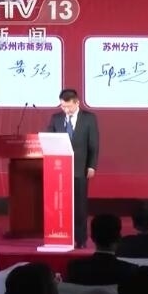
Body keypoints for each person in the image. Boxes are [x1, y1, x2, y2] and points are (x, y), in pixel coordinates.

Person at [47, 89, 99, 249]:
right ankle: (60, 234)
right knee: (60, 204)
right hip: (59, 169)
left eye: (68, 106)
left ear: (77, 103)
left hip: (80, 168)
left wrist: (91, 165)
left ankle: (80, 239)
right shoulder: (56, 118)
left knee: (80, 206)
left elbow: (94, 144)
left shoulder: (89, 118)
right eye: (63, 106)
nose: (66, 110)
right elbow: (49, 139)